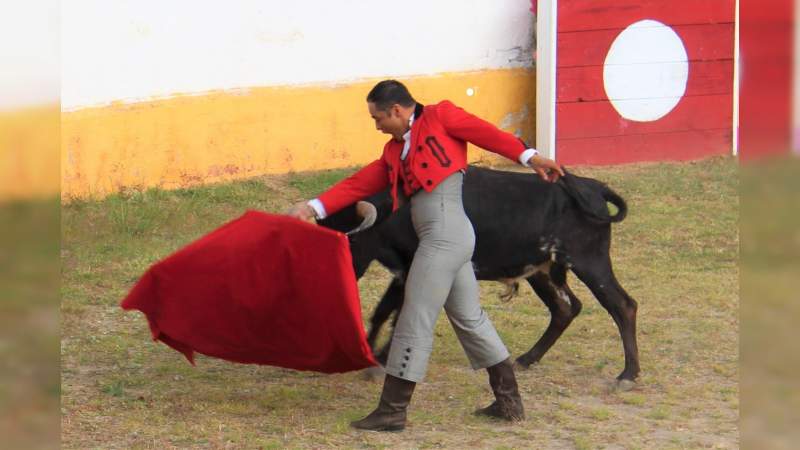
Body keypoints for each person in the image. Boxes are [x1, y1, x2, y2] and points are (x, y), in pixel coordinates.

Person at [287, 79, 564, 431]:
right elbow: (359, 184)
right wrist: (312, 207)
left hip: (443, 239)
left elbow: (485, 133)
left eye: (378, 118)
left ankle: (392, 411)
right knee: (469, 317)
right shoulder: (393, 152)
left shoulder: (441, 116)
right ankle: (509, 402)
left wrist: (531, 157)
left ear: (397, 111)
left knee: (414, 318)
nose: (376, 126)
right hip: (450, 237)